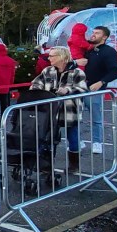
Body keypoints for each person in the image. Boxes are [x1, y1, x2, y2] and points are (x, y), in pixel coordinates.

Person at [29, 46, 88, 175]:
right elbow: (36, 83)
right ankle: (46, 165)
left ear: (62, 57)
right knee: (47, 138)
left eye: (52, 56)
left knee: (73, 138)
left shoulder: (77, 72)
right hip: (50, 111)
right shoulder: (47, 71)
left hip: (70, 111)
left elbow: (83, 89)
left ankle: (74, 165)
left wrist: (68, 90)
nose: (49, 58)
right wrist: (37, 90)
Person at [83, 26, 117, 154]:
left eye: (97, 33)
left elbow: (115, 71)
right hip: (79, 87)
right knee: (75, 116)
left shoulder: (109, 52)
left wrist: (101, 82)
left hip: (95, 89)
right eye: (93, 32)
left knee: (96, 118)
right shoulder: (86, 50)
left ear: (104, 37)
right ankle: (76, 141)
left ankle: (97, 142)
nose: (93, 35)